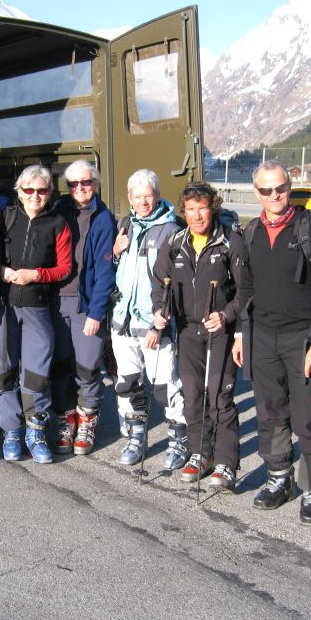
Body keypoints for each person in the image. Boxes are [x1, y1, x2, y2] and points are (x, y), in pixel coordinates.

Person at [232, 159, 311, 526]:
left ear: (289, 187)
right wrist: (238, 333)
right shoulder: (250, 233)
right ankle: (280, 478)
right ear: (256, 193)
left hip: (302, 339)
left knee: (308, 418)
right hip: (261, 337)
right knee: (270, 412)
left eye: (280, 188)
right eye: (266, 190)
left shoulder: (310, 231)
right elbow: (245, 288)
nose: (274, 195)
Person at [151, 183, 247, 488]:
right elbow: (159, 281)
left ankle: (226, 463)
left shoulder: (230, 242)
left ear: (213, 208)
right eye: (190, 209)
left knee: (220, 398)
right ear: (184, 211)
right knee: (192, 398)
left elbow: (247, 292)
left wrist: (227, 315)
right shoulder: (176, 242)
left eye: (202, 208)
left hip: (220, 331)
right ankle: (199, 453)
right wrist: (159, 310)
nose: (196, 215)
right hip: (188, 332)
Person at [0, 164, 71, 463]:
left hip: (37, 307)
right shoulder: (3, 218)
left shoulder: (57, 223)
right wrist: (0, 271)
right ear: (19, 192)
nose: (35, 195)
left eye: (42, 190)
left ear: (50, 193)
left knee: (36, 373)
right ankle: (12, 430)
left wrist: (36, 275)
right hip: (2, 306)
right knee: (5, 371)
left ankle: (35, 430)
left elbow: (65, 267)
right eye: (29, 190)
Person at [109, 169, 188, 470]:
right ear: (129, 198)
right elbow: (120, 271)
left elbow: (175, 281)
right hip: (123, 321)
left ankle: (177, 439)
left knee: (164, 385)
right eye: (137, 196)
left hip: (153, 324)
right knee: (128, 382)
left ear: (157, 195)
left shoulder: (170, 230)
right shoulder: (124, 225)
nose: (143, 202)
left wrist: (161, 322)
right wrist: (115, 253)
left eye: (148, 195)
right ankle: (137, 437)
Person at [50, 160, 116, 457]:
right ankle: (66, 419)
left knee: (87, 366)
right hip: (54, 300)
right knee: (61, 366)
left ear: (96, 183)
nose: (80, 189)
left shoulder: (103, 218)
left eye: (86, 182)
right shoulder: (57, 211)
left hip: (84, 302)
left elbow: (105, 271)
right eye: (74, 184)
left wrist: (96, 313)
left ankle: (87, 419)